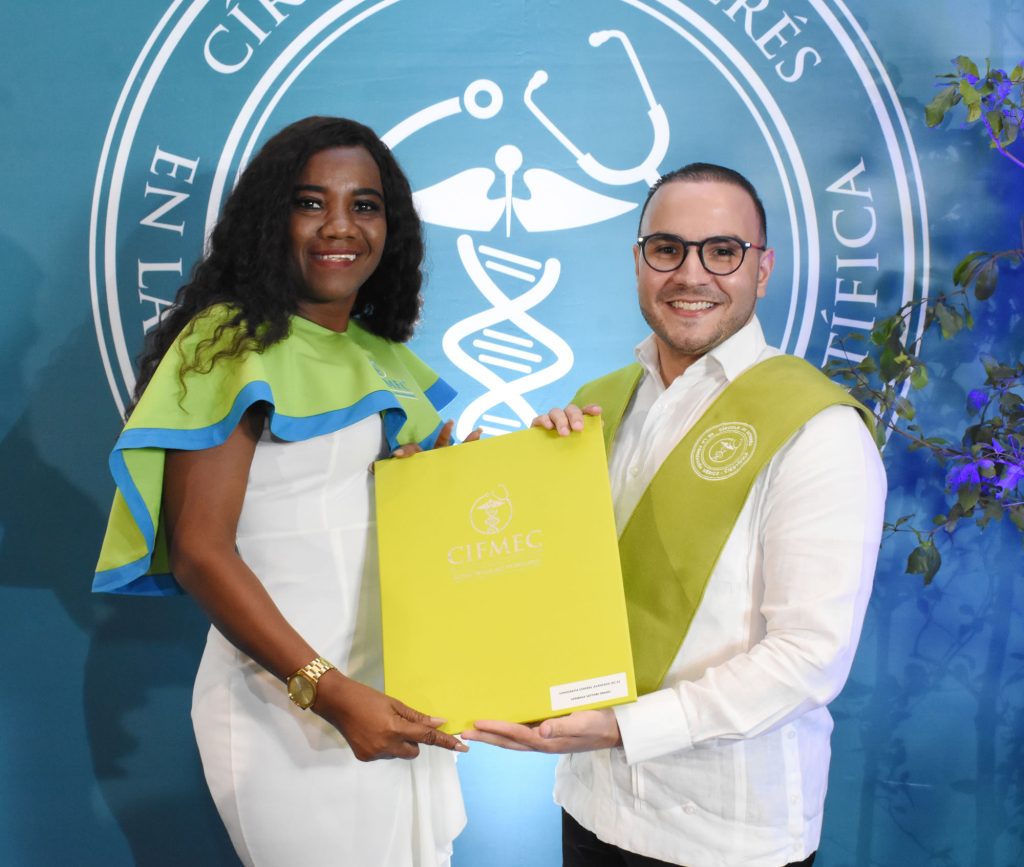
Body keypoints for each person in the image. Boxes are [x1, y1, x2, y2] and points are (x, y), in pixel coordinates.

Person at [463, 163, 887, 867]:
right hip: (592, 802)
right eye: (667, 249)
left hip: (722, 830)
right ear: (638, 261)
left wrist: (624, 727)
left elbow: (808, 658)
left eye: (723, 251)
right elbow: (558, 589)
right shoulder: (601, 405)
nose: (692, 274)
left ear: (763, 269)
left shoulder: (818, 430)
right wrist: (520, 485)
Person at [93, 116, 473, 867]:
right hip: (289, 704)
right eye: (310, 202)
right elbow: (201, 552)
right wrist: (330, 693)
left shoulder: (381, 355)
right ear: (273, 218)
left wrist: (463, 480)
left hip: (394, 695)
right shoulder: (226, 345)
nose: (340, 226)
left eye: (364, 205)